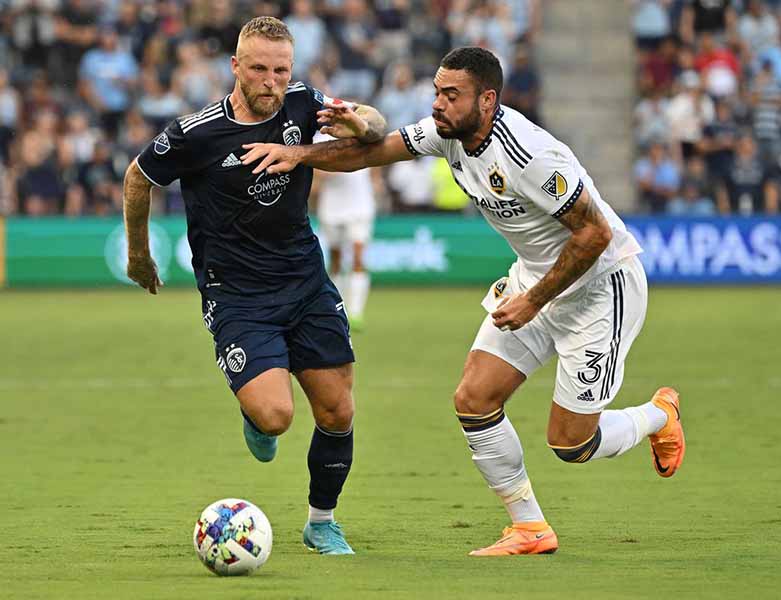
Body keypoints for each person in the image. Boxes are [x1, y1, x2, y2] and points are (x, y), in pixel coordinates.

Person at [240, 46, 686, 557]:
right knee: (473, 399)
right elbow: (371, 152)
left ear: (487, 100)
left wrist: (534, 301)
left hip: (601, 289)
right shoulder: (446, 134)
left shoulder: (533, 157)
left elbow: (594, 233)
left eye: (451, 95)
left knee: (571, 444)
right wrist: (299, 156)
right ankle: (530, 528)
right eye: (436, 92)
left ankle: (658, 416)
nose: (437, 104)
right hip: (534, 281)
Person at [122, 16, 387, 555]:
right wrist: (137, 254)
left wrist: (358, 123)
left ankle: (321, 521)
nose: (272, 80)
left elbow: (376, 127)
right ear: (236, 67)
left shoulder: (302, 103)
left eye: (281, 69)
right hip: (237, 294)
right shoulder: (195, 134)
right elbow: (138, 177)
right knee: (277, 415)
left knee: (337, 410)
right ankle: (254, 415)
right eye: (260, 68)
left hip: (305, 281)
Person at [312, 131, 379, 330]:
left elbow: (376, 162)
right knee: (336, 260)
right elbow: (316, 171)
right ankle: (336, 308)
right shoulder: (319, 139)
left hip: (360, 207)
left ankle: (356, 312)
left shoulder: (363, 134)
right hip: (331, 207)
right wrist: (341, 165)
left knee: (358, 257)